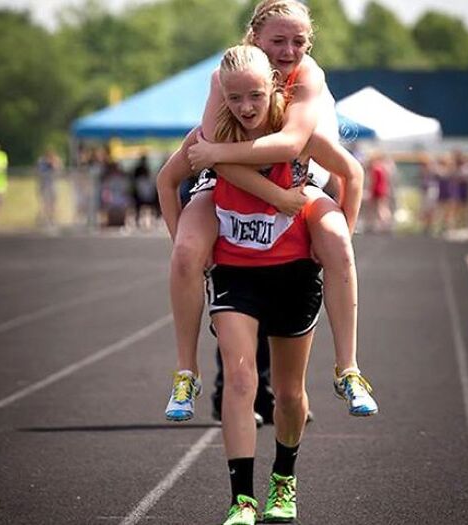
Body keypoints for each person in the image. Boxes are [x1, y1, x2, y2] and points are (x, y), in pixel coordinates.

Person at [159, 45, 366, 524]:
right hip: (237, 273)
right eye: (234, 98)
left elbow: (350, 173)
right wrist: (186, 247)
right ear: (221, 97)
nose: (246, 107)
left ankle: (283, 479)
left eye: (255, 95)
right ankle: (241, 501)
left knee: (290, 395)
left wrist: (336, 242)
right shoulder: (211, 135)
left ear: (274, 87)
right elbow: (166, 180)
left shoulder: (298, 135)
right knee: (240, 380)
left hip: (294, 271)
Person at [160, 0, 377, 423]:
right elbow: (209, 161)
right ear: (254, 38)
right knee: (187, 251)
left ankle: (348, 368)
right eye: (278, 40)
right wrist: (187, 251)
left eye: (299, 41)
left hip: (298, 180)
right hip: (233, 184)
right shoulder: (226, 77)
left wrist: (334, 234)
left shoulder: (307, 77)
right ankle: (186, 372)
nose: (290, 50)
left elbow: (293, 146)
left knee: (335, 242)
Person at [36, 147, 63, 227]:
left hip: (53, 186)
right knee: (45, 203)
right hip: (44, 185)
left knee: (53, 203)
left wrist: (53, 164)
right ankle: (44, 218)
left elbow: (59, 171)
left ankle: (52, 218)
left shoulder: (56, 161)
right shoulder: (41, 161)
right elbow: (39, 171)